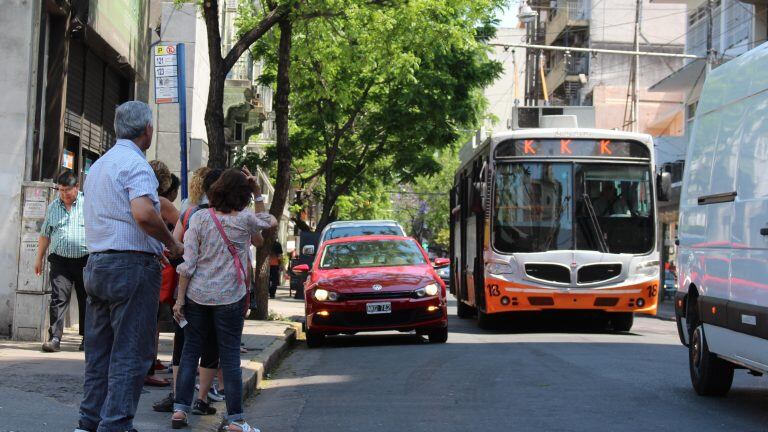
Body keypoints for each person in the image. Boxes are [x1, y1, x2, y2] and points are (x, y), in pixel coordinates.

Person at [75, 101, 184, 432]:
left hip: (97, 263)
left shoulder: (100, 166)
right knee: (131, 354)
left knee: (100, 353)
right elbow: (143, 213)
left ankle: (89, 423)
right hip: (130, 267)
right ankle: (116, 425)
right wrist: (171, 243)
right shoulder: (137, 166)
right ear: (148, 130)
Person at [171, 167, 276, 431]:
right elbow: (269, 221)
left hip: (197, 297)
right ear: (243, 195)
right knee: (229, 358)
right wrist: (257, 191)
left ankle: (180, 410)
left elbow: (188, 263)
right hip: (230, 298)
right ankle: (236, 419)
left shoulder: (199, 219)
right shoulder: (245, 221)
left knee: (189, 353)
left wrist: (180, 300)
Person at [153, 169, 224, 415]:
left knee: (184, 345)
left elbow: (174, 249)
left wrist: (181, 291)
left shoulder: (189, 213)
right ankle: (202, 400)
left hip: (189, 290)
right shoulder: (234, 216)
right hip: (222, 294)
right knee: (212, 345)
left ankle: (178, 401)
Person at [36, 170, 89, 353]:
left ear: (77, 187)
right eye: (60, 190)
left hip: (86, 260)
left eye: (67, 190)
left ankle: (87, 338)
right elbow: (45, 235)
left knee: (87, 299)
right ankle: (55, 338)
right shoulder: (53, 207)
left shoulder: (89, 204)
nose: (64, 194)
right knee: (58, 298)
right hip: (60, 261)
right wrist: (39, 258)